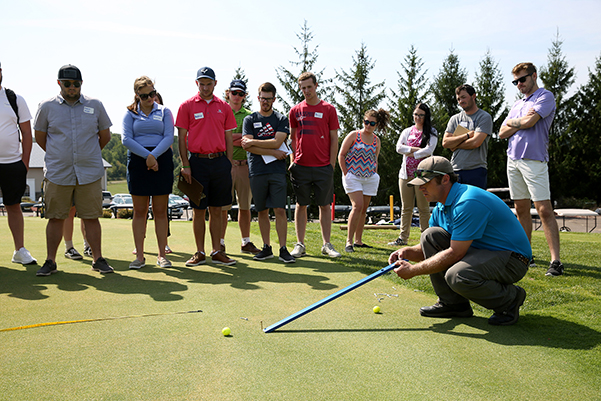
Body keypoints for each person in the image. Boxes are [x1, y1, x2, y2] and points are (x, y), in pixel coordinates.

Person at [389, 156, 531, 326]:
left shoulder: (467, 201)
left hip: (513, 259)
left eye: (426, 182)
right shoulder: (442, 205)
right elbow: (430, 248)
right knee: (430, 235)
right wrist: (406, 252)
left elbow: (456, 253)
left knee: (458, 276)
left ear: (445, 179)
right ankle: (453, 304)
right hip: (481, 251)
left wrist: (413, 271)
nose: (421, 188)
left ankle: (510, 300)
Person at [34, 64, 113, 276]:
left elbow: (105, 136)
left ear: (81, 84)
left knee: (91, 217)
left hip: (89, 172)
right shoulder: (47, 106)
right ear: (59, 83)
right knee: (56, 217)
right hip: (59, 172)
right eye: (67, 84)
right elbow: (40, 137)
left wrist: (89, 154)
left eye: (76, 84)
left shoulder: (95, 105)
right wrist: (60, 154)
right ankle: (50, 261)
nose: (72, 87)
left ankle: (98, 259)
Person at [499, 62, 562, 277]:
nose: (519, 84)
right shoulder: (517, 104)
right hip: (513, 160)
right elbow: (501, 133)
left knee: (544, 209)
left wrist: (516, 123)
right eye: (515, 81)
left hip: (534, 159)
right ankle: (526, 255)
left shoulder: (546, 96)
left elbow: (531, 122)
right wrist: (521, 121)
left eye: (522, 79)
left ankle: (556, 262)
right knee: (521, 209)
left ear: (534, 76)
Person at [176, 66, 237, 266]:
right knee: (198, 209)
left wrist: (228, 161)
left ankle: (216, 251)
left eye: (208, 83)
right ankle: (199, 252)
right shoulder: (187, 106)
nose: (205, 87)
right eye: (201, 84)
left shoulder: (224, 107)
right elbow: (182, 138)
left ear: (215, 84)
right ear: (197, 84)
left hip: (220, 162)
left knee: (217, 209)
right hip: (197, 163)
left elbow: (229, 137)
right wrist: (185, 164)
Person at [122, 76, 174, 269]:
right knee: (140, 211)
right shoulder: (130, 114)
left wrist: (154, 156)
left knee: (160, 211)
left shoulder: (165, 111)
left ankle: (162, 255)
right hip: (138, 161)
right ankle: (140, 256)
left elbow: (169, 137)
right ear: (137, 96)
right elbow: (126, 139)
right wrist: (148, 157)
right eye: (145, 96)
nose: (150, 98)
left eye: (152, 94)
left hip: (161, 159)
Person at [288, 72, 341, 258]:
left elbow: (334, 138)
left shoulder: (329, 109)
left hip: (323, 166)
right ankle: (300, 245)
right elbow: (292, 137)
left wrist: (331, 164)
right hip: (301, 166)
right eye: (303, 88)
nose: (306, 91)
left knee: (325, 205)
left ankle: (327, 244)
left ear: (316, 86)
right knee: (301, 204)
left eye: (309, 87)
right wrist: (292, 160)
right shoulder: (295, 111)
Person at [241, 82, 295, 263]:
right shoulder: (249, 119)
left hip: (277, 171)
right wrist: (272, 151)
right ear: (258, 98)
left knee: (280, 209)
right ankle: (266, 248)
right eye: (262, 98)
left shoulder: (281, 119)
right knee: (262, 210)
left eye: (269, 99)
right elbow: (248, 147)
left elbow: (276, 141)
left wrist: (255, 142)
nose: (265, 102)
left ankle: (283, 249)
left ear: (274, 99)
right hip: (257, 171)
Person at [0, 61, 37, 265]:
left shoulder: (14, 99)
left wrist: (25, 162)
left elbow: (26, 134)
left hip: (13, 163)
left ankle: (19, 251)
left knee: (13, 206)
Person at [338, 108, 388, 252]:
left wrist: (375, 174)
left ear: (376, 125)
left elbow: (375, 159)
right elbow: (342, 155)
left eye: (372, 123)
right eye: (366, 122)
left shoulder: (376, 140)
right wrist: (346, 173)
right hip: (353, 175)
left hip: (369, 177)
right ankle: (349, 241)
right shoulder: (354, 135)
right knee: (357, 206)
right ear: (363, 121)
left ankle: (358, 241)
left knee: (364, 209)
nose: (368, 125)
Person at [388, 103, 438, 247]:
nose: (417, 118)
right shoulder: (407, 131)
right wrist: (417, 149)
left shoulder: (432, 132)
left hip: (423, 176)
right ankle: (403, 238)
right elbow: (399, 148)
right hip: (405, 174)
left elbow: (429, 150)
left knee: (423, 208)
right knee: (406, 208)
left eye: (421, 115)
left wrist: (412, 152)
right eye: (416, 114)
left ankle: (426, 239)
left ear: (426, 116)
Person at [220, 79, 260, 255]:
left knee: (245, 207)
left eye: (240, 93)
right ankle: (220, 243)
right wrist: (238, 138)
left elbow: (249, 142)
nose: (237, 96)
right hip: (225, 166)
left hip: (245, 166)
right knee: (223, 207)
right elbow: (220, 139)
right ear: (228, 93)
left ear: (245, 96)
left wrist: (231, 138)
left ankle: (245, 242)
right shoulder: (220, 112)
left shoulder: (250, 116)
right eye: (234, 93)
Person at [442, 84, 493, 189]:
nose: (461, 101)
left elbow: (476, 143)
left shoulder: (484, 117)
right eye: (458, 99)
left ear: (473, 96)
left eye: (463, 97)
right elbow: (445, 143)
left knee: (474, 204)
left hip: (476, 169)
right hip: (455, 169)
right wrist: (467, 136)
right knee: (456, 204)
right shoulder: (455, 119)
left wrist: (455, 145)